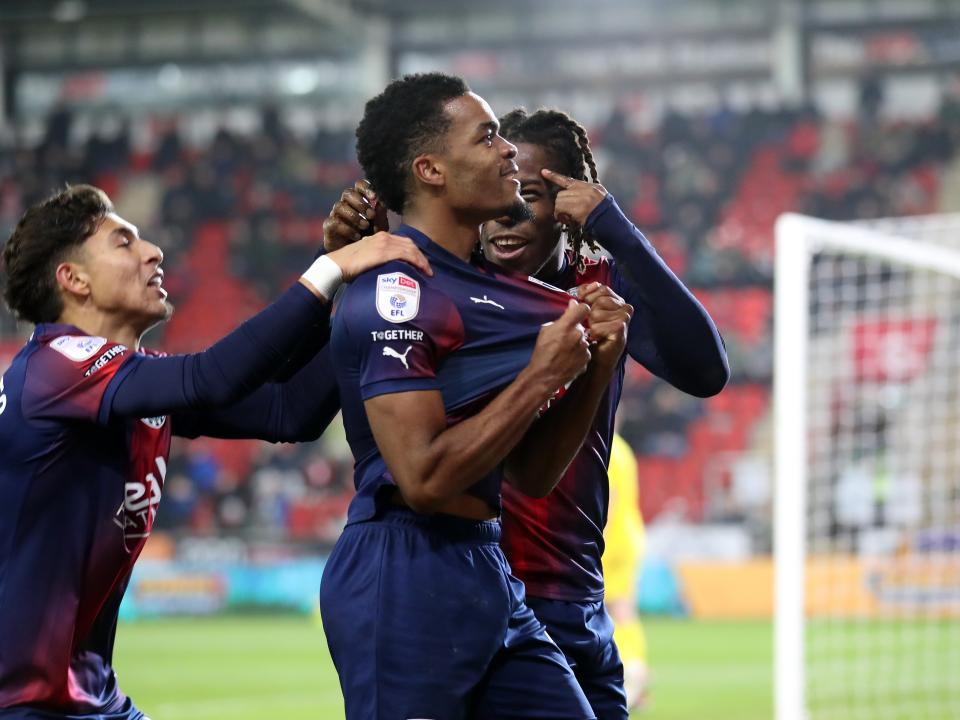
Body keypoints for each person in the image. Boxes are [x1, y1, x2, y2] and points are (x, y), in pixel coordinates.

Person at [325, 106, 729, 718]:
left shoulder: (599, 292)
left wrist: (612, 227)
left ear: (571, 206)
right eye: (503, 191)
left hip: (577, 598)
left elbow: (706, 371)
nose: (508, 216)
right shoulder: (434, 290)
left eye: (531, 196)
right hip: (473, 585)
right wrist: (343, 261)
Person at [0, 183, 430, 720]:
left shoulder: (127, 382)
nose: (153, 251)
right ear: (73, 279)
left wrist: (369, 297)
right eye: (123, 242)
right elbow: (212, 378)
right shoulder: (56, 367)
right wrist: (332, 269)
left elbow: (289, 412)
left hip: (91, 699)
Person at [603, 432, 650, 711]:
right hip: (629, 536)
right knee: (623, 610)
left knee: (610, 611)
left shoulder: (606, 447)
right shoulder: (622, 447)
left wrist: (596, 543)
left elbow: (608, 501)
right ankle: (635, 671)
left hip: (612, 542)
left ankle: (630, 674)